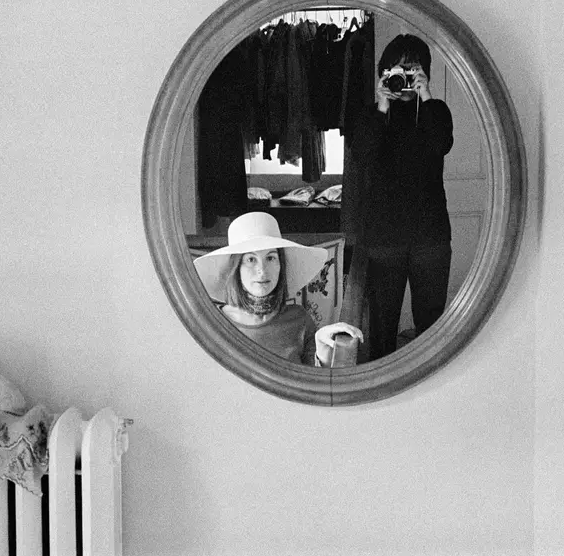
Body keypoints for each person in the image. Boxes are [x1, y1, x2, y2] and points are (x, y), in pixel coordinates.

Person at [348, 34, 454, 359]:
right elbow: (363, 154)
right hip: (383, 238)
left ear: (425, 73)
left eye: (413, 69)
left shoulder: (436, 111)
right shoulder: (371, 115)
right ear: (384, 72)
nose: (405, 77)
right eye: (398, 69)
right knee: (381, 331)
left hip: (430, 237)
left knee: (432, 328)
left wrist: (427, 96)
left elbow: (440, 144)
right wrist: (382, 106)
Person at [193, 212, 363, 367]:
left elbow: (316, 384)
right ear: (236, 268)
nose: (262, 270)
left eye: (271, 258)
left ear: (281, 265)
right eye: (251, 259)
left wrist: (322, 348)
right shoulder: (211, 323)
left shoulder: (300, 319)